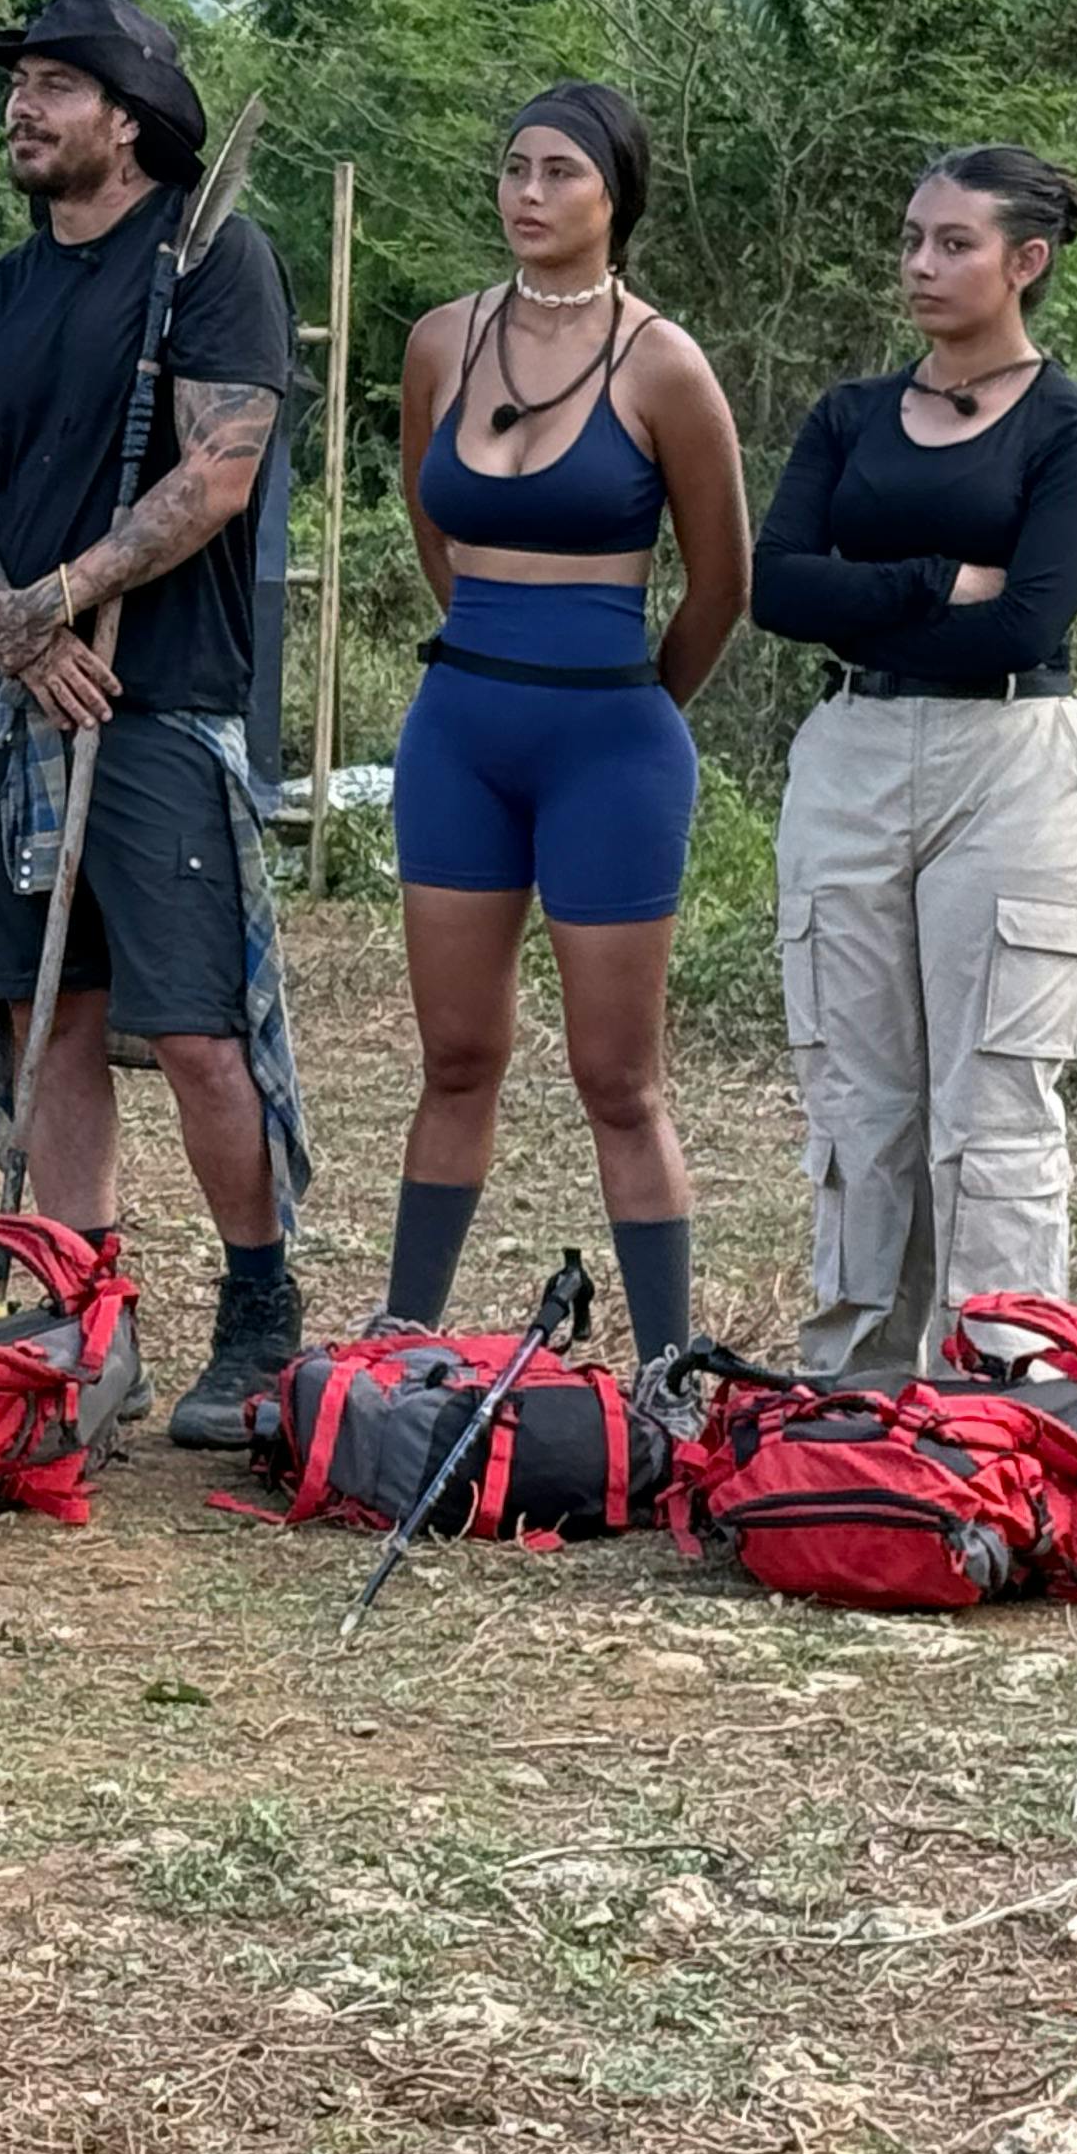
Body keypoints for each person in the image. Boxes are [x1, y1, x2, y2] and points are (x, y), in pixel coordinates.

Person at [0, 0, 312, 1445]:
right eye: (18, 84)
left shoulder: (213, 260)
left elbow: (218, 474)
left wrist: (64, 594)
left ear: (128, 120)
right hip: (19, 699)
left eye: (55, 86)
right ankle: (85, 1315)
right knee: (45, 1015)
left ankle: (261, 1319)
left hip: (157, 701)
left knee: (198, 1029)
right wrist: (14, 634)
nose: (22, 107)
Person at [384, 84, 750, 1367]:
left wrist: (629, 704)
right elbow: (432, 517)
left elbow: (723, 583)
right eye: (513, 168)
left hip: (610, 741)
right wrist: (493, 651)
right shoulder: (442, 340)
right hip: (458, 730)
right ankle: (397, 1350)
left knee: (617, 1080)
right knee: (457, 1057)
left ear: (616, 199)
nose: (529, 195)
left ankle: (667, 1367)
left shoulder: (664, 362)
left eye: (561, 175)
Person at [752, 146, 1077, 1378]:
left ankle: (1005, 1400)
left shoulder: (1076, 432)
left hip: (1010, 763)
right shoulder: (849, 415)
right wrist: (926, 584)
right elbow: (774, 588)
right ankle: (855, 1399)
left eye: (954, 243)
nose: (921, 264)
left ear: (1027, 261)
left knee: (994, 1108)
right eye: (913, 237)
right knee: (861, 1106)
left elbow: (1026, 623)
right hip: (853, 753)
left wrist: (854, 597)